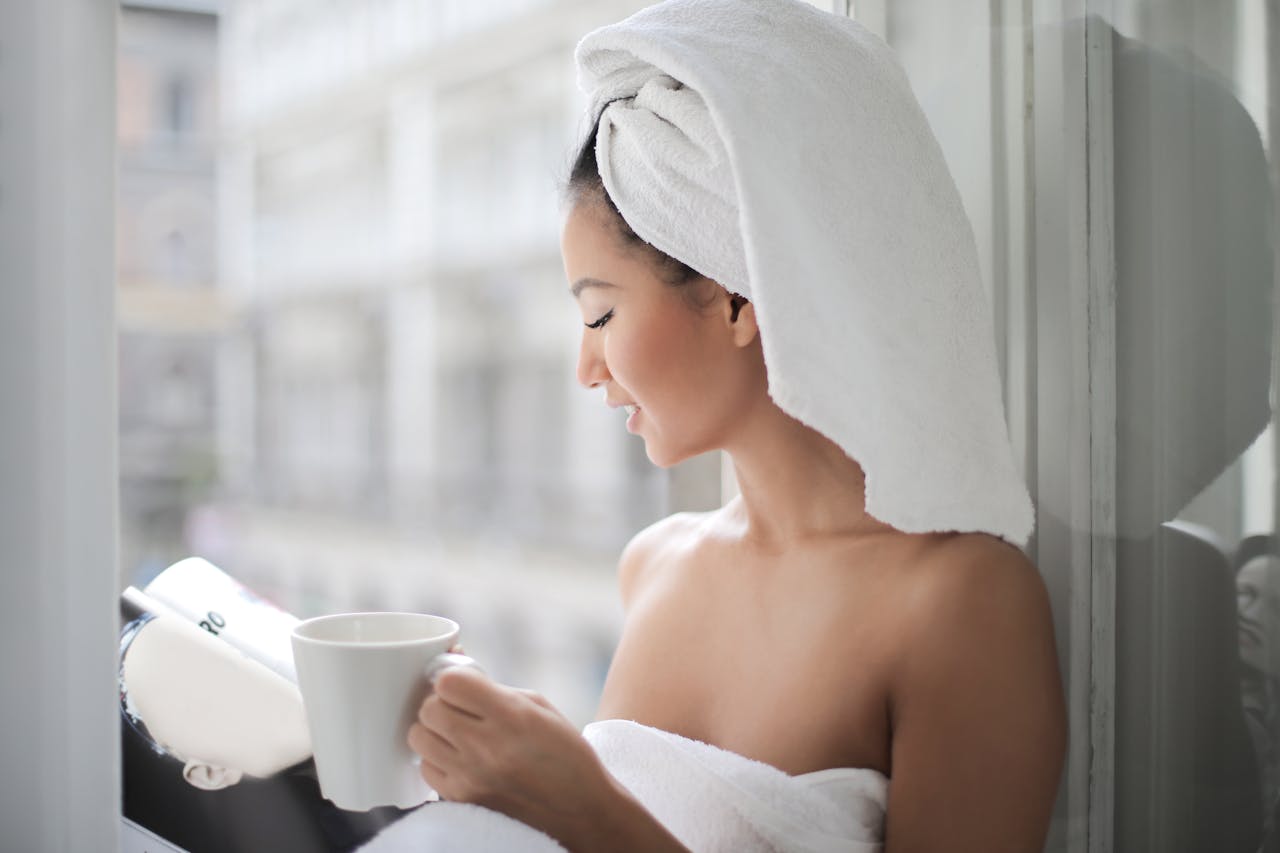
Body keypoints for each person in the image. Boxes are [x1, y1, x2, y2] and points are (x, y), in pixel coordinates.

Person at [397, 1, 1067, 850]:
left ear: (735, 294)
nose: (586, 368)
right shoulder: (656, 564)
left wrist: (584, 807)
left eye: (600, 316)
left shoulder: (960, 603)